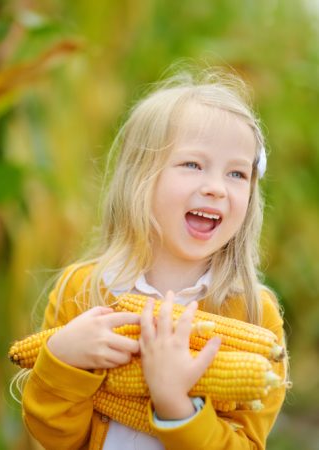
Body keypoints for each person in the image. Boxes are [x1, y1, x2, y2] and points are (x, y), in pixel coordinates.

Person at [20, 68, 288, 449]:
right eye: (193, 165)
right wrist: (61, 361)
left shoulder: (254, 314)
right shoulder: (83, 290)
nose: (215, 188)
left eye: (237, 173)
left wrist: (175, 403)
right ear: (140, 177)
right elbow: (54, 437)